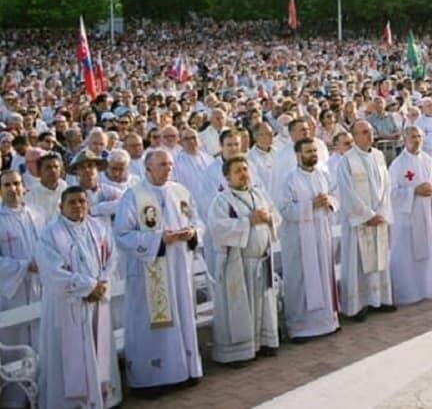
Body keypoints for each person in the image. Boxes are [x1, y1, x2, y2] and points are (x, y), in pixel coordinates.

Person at [114, 148, 204, 396]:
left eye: (170, 164)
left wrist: (192, 232)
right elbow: (122, 234)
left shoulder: (181, 192)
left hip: (179, 269)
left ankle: (186, 370)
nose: (168, 169)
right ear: (148, 168)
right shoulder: (134, 196)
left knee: (182, 314)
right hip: (150, 272)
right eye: (162, 165)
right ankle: (154, 379)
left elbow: (198, 221)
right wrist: (158, 239)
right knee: (153, 325)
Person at [37, 186, 122, 409]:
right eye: (72, 202)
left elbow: (111, 257)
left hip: (96, 303)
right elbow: (52, 271)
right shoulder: (50, 234)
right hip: (68, 306)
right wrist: (89, 287)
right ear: (61, 207)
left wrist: (102, 283)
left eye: (82, 201)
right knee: (69, 357)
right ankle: (72, 404)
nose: (78, 206)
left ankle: (102, 398)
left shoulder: (99, 227)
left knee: (99, 348)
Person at [207, 155, 280, 366]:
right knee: (240, 308)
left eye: (245, 169)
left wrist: (269, 219)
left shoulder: (259, 194)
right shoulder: (222, 200)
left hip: (261, 261)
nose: (243, 174)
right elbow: (218, 228)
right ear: (227, 177)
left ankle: (263, 342)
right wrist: (248, 221)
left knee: (262, 304)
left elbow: (276, 216)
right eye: (237, 171)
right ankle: (237, 352)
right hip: (238, 264)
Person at [275, 138, 340, 342]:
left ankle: (327, 322)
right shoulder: (288, 180)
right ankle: (300, 327)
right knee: (301, 279)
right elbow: (284, 210)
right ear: (298, 155)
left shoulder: (323, 174)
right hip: (300, 240)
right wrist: (311, 205)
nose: (313, 154)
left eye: (314, 150)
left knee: (323, 275)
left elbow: (336, 195)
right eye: (308, 151)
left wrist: (329, 201)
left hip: (321, 233)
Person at [333, 120, 395, 320]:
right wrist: (367, 215)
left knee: (379, 258)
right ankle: (358, 305)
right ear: (354, 137)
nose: (369, 135)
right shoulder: (346, 161)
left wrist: (381, 212)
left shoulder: (378, 155)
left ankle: (380, 299)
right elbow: (347, 193)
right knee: (358, 263)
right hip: (360, 221)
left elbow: (386, 186)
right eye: (364, 132)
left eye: (370, 131)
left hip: (378, 217)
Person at [386, 126, 432, 305]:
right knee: (407, 254)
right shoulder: (398, 164)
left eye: (419, 136)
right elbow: (391, 193)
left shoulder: (428, 160)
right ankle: (408, 292)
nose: (417, 140)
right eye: (412, 137)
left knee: (428, 250)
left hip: (426, 214)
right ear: (404, 139)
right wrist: (414, 191)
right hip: (407, 218)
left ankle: (428, 288)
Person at [0, 170, 41, 409]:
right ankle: (15, 398)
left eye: (16, 184)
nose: (13, 189)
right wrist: (24, 266)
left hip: (39, 288)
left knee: (40, 337)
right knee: (16, 341)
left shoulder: (36, 214)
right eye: (7, 185)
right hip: (12, 292)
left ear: (23, 186)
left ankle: (43, 389)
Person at [27, 151, 66, 222]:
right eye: (48, 167)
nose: (53, 170)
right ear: (39, 171)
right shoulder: (31, 195)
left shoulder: (66, 188)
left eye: (56, 167)